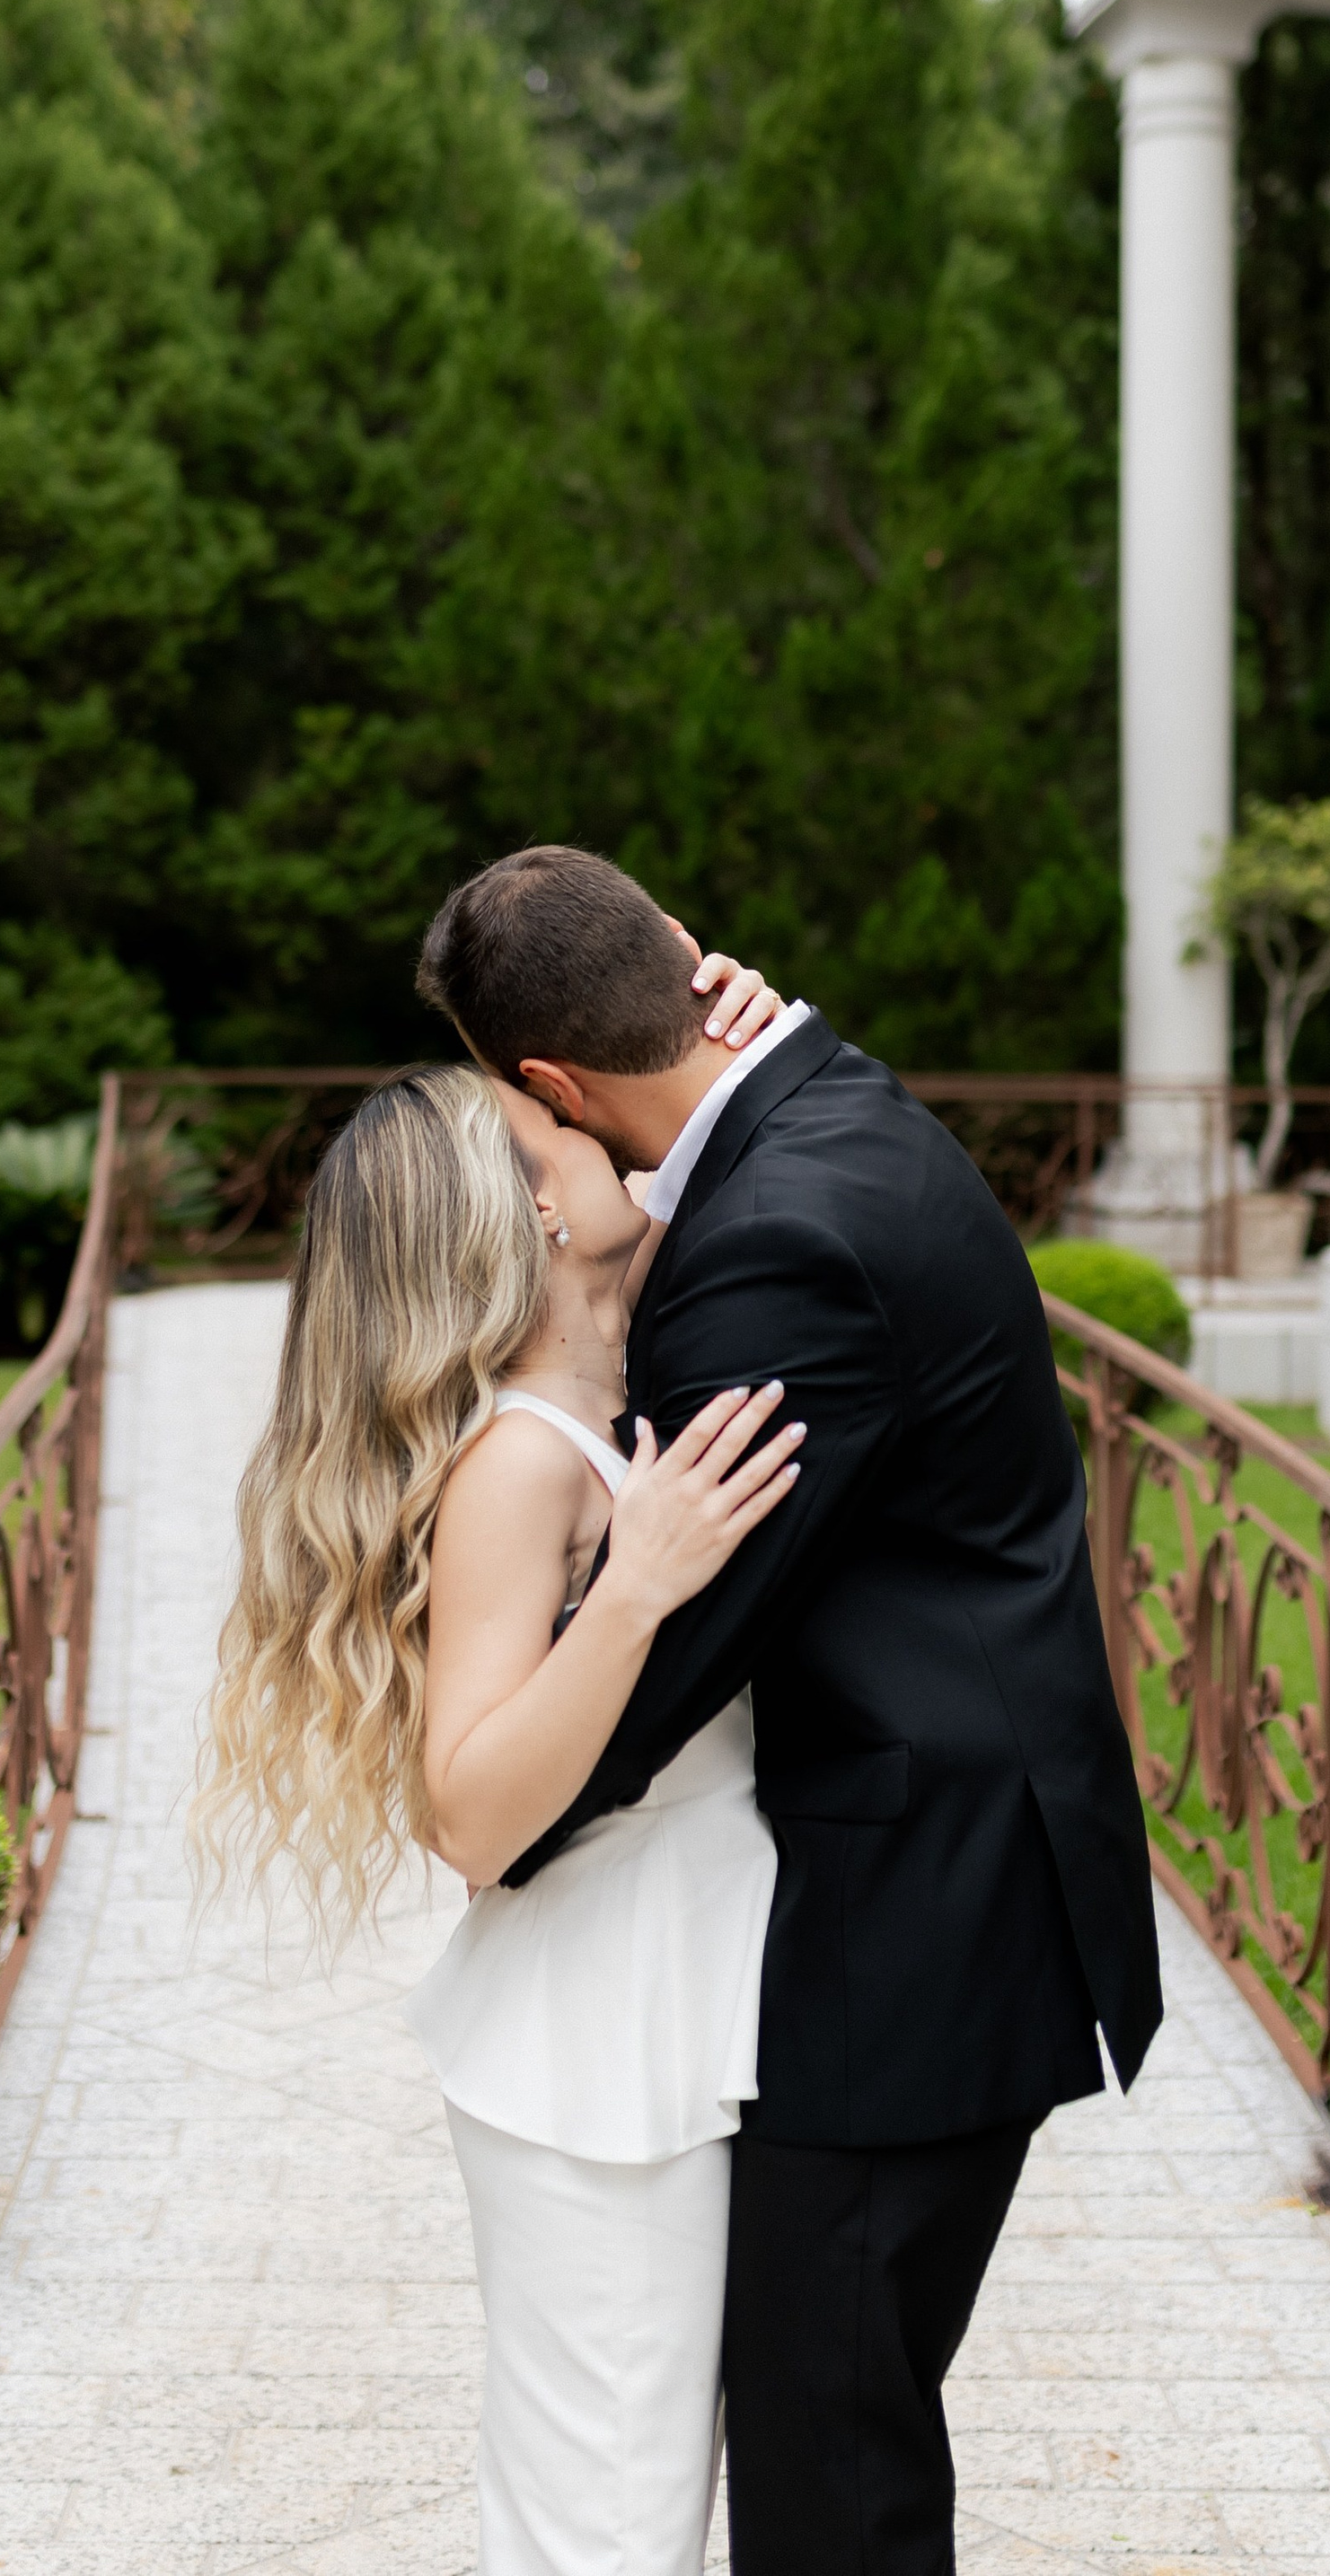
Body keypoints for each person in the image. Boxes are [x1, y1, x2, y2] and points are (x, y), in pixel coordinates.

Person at [414, 845, 1164, 2576]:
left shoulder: (776, 1241)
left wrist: (492, 1811)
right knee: (835, 2439)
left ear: (548, 1089)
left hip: (911, 1933)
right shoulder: (832, 1112)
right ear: (691, 954)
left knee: (831, 2472)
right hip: (948, 1887)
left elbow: (653, 1671)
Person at [197, 949, 801, 2576]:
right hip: (595, 2042)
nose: (588, 1123)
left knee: (625, 2496)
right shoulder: (519, 1466)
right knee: (605, 2514)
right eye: (549, 1134)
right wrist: (647, 1587)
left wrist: (748, 1028)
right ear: (532, 1214)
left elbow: (730, 1124)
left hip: (646, 2012)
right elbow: (465, 1811)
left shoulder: (596, 1384)